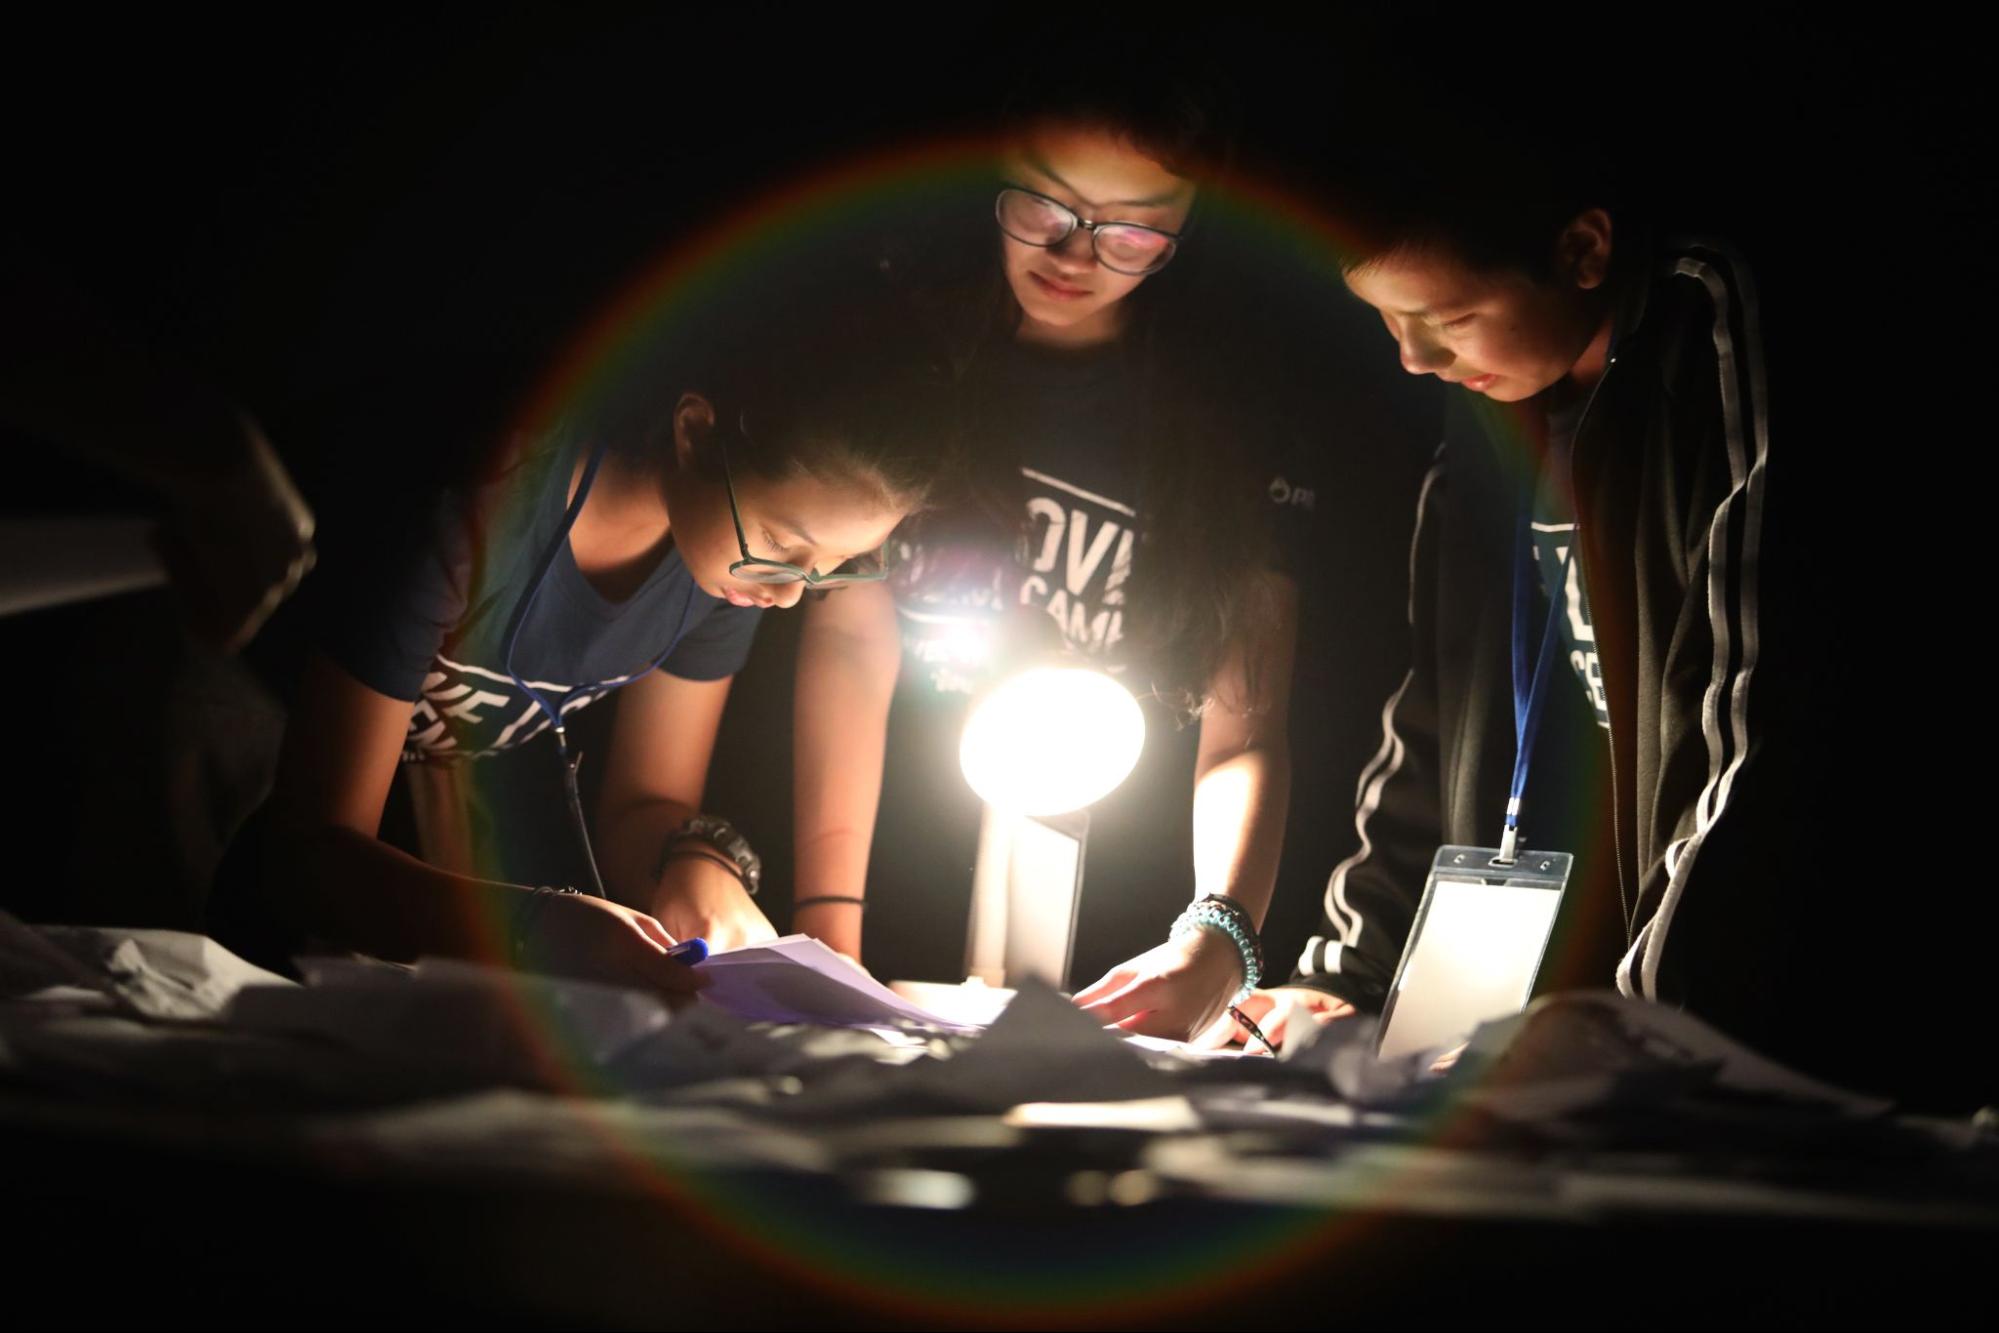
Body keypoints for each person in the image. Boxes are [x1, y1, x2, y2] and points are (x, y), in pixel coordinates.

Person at [212, 281, 952, 994]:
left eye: (829, 568)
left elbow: (644, 803)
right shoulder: (482, 501)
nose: (789, 593)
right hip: (215, 770)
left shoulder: (725, 570)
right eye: (783, 545)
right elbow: (308, 854)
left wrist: (694, 859)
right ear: (695, 432)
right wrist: (536, 929)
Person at [792, 70, 1308, 1042]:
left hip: (1122, 946)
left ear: (1187, 228)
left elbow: (1245, 721)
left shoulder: (1233, 423)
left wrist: (1217, 938)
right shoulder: (909, 362)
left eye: (1131, 231)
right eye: (1044, 205)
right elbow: (851, 639)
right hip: (894, 895)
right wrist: (828, 930)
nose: (1075, 254)